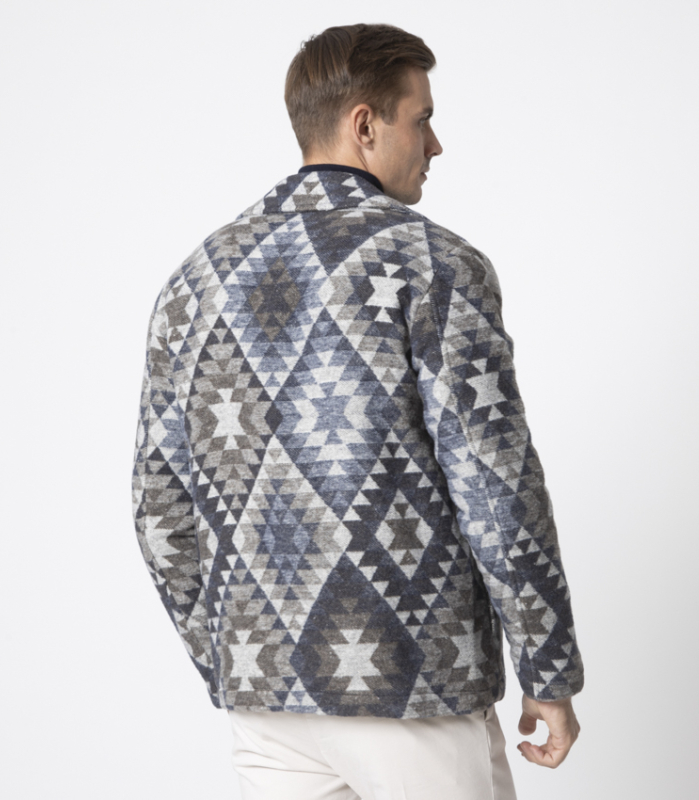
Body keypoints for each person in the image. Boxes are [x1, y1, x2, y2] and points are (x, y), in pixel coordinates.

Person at [132, 22, 584, 800]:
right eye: (422, 118)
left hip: (264, 697)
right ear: (365, 124)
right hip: (410, 684)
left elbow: (156, 501)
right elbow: (494, 481)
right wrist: (548, 666)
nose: (435, 144)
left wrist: (231, 654)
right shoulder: (434, 265)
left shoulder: (195, 280)